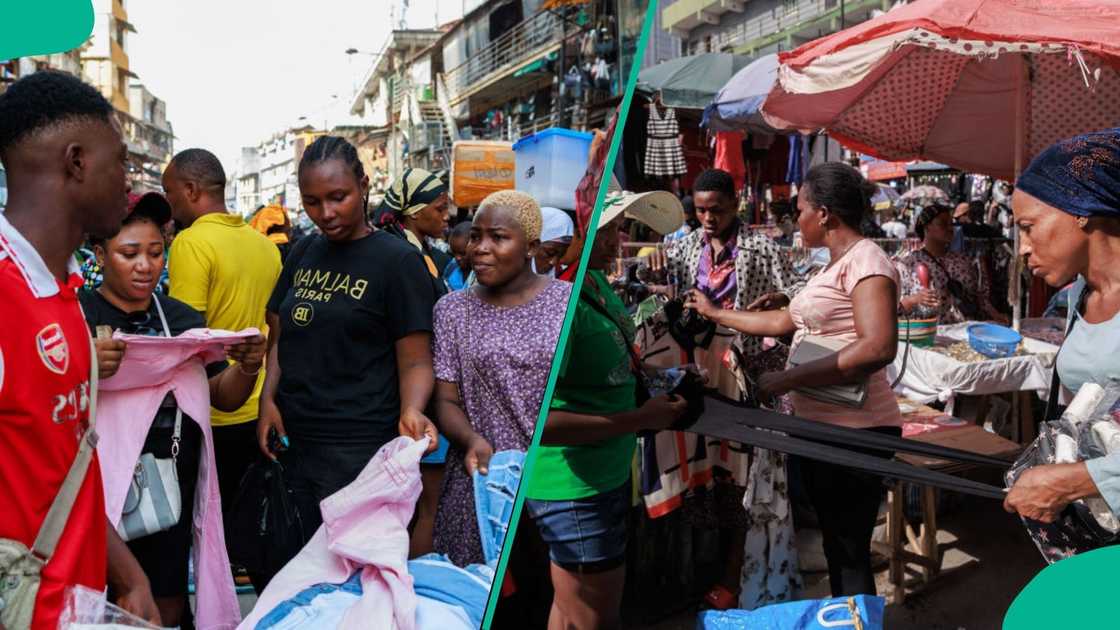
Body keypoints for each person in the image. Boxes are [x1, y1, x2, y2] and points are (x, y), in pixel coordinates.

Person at [686, 162, 902, 597]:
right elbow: (784, 320)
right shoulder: (835, 264)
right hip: (825, 426)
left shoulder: (867, 261)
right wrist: (715, 312)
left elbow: (877, 346)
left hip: (857, 430)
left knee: (848, 550)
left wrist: (786, 380)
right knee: (837, 546)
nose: (795, 218)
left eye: (799, 209)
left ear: (823, 214)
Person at [0, 69, 159, 629]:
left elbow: (66, 461)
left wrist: (127, 573)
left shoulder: (66, 290)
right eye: (120, 162)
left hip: (78, 606)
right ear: (76, 162)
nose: (130, 181)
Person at [257, 136, 439, 586]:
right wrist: (267, 399)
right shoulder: (302, 251)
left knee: (352, 582)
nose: (326, 213)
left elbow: (416, 360)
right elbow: (279, 336)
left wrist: (412, 409)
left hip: (361, 451)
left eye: (338, 197)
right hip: (295, 445)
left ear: (363, 184)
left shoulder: (397, 262)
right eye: (313, 202)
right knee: (296, 576)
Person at [80, 197, 267, 628]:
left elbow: (223, 396)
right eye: (129, 254)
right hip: (97, 494)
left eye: (155, 252)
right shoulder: (77, 316)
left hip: (168, 492)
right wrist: (83, 364)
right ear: (101, 254)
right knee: (94, 602)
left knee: (165, 603)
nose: (145, 266)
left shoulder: (181, 320)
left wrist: (249, 364)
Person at [522, 196, 690, 630]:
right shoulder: (558, 310)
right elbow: (541, 423)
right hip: (573, 488)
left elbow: (615, 362)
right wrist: (638, 420)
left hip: (606, 474)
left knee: (570, 611)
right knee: (595, 618)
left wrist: (665, 374)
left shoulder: (593, 281)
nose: (620, 239)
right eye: (609, 228)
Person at [654, 168, 805, 610]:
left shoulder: (760, 247)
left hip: (753, 374)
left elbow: (795, 294)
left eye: (715, 210)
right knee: (712, 474)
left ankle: (737, 573)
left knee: (750, 477)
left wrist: (777, 301)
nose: (707, 218)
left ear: (734, 205)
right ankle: (711, 568)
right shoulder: (682, 250)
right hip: (704, 375)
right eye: (700, 210)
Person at [431, 190, 571, 567]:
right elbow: (446, 399)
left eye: (498, 237)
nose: (480, 248)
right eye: (476, 236)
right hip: (479, 484)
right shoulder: (451, 310)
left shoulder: (566, 303)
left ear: (531, 247)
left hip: (553, 482)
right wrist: (471, 440)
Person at [1003, 128, 1120, 525]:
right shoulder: (1079, 295)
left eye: (1028, 226)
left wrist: (1074, 482)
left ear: (1080, 210)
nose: (1022, 247)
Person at [162, 149, 283, 515]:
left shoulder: (190, 243)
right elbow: (276, 331)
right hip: (260, 404)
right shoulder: (265, 246)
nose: (169, 203)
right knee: (244, 527)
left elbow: (188, 338)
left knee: (210, 528)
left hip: (211, 409)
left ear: (191, 189)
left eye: (169, 193)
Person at [897, 203, 1009, 324]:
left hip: (963, 332)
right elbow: (894, 308)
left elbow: (979, 298)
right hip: (928, 334)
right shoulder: (908, 264)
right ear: (927, 228)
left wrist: (995, 314)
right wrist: (913, 299)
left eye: (951, 224)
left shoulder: (963, 261)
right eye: (943, 224)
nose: (950, 228)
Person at [378, 167, 452, 281]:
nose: (447, 216)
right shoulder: (406, 258)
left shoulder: (422, 250)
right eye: (440, 209)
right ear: (414, 212)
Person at [533, 206, 575, 278]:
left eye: (561, 256)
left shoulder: (559, 278)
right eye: (549, 253)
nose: (554, 262)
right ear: (531, 245)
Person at [443, 220, 473, 291]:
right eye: (454, 253)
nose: (457, 258)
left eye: (463, 253)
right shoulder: (451, 267)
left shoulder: (482, 275)